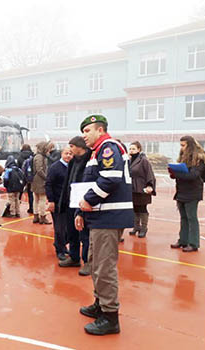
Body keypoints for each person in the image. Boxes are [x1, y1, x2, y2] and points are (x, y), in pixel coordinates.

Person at [75, 114, 134, 335]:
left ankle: (110, 317)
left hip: (109, 217)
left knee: (104, 267)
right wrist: (83, 211)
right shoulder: (97, 151)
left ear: (100, 130)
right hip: (99, 216)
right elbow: (92, 183)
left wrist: (87, 201)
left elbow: (110, 178)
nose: (84, 136)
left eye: (87, 131)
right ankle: (100, 304)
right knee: (95, 261)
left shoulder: (108, 147)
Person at [168, 135, 205, 252]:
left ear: (190, 146)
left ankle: (194, 243)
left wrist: (177, 174)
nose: (181, 148)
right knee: (183, 218)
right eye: (180, 145)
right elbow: (183, 174)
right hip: (181, 191)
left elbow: (193, 175)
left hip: (192, 193)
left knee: (192, 218)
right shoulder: (183, 158)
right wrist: (173, 173)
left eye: (183, 145)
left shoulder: (199, 160)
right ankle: (183, 240)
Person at [60, 136, 92, 274]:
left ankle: (87, 262)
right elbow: (67, 182)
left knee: (84, 234)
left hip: (84, 202)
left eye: (72, 146)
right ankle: (74, 257)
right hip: (71, 201)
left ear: (80, 147)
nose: (70, 150)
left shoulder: (90, 160)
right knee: (71, 231)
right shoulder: (73, 162)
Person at [45, 146, 72, 263]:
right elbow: (48, 184)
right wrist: (51, 201)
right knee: (59, 228)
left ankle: (60, 244)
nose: (69, 156)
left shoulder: (72, 167)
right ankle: (60, 250)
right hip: (57, 202)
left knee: (67, 228)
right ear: (62, 154)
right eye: (66, 153)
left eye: (71, 154)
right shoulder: (55, 168)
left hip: (69, 203)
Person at [128, 141, 156, 238]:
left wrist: (150, 186)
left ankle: (144, 228)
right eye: (130, 149)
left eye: (133, 149)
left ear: (139, 150)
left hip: (142, 188)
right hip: (132, 188)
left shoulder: (144, 160)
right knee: (135, 208)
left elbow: (150, 174)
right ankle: (136, 227)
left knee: (142, 208)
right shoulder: (129, 160)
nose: (131, 151)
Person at [32, 141, 54, 224]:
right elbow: (39, 169)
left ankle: (36, 216)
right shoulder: (40, 157)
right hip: (40, 180)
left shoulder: (37, 156)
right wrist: (46, 178)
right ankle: (42, 217)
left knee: (36, 199)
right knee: (42, 199)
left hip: (35, 180)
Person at [17, 144, 35, 214]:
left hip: (22, 176)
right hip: (30, 176)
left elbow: (18, 167)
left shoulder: (20, 156)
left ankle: (16, 208)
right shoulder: (32, 156)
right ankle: (31, 208)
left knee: (19, 191)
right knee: (30, 193)